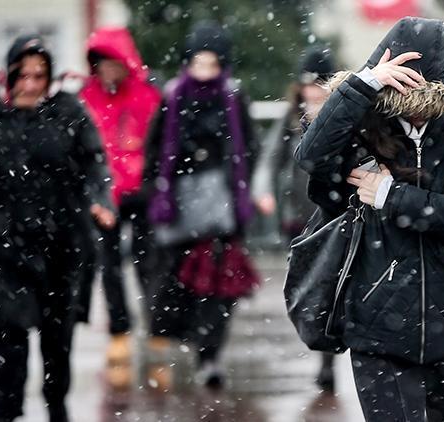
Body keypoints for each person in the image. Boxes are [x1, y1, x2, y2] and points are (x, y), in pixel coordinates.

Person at [296, 17, 444, 421]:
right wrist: (363, 83)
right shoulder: (364, 127)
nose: (417, 108)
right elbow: (311, 156)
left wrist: (393, 196)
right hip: (380, 328)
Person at [0, 34, 115, 422]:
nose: (30, 84)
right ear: (8, 77)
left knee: (56, 339)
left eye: (38, 76)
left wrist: (101, 199)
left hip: (60, 245)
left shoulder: (68, 112)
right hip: (5, 249)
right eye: (22, 76)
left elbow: (96, 163)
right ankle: (7, 410)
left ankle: (57, 408)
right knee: (8, 338)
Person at [143, 21, 259, 391]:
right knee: (174, 285)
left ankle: (209, 355)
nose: (204, 71)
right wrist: (159, 192)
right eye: (198, 62)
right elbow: (155, 149)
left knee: (219, 288)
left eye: (212, 63)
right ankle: (185, 342)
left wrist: (236, 191)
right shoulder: (173, 96)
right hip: (177, 209)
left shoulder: (232, 97)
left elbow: (248, 149)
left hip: (222, 212)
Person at [79, 26, 162, 390]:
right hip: (105, 198)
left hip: (140, 194)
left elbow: (159, 147)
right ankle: (120, 329)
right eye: (101, 64)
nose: (107, 71)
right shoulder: (86, 98)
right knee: (109, 266)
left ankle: (156, 327)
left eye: (112, 63)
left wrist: (148, 185)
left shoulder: (146, 96)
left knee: (149, 265)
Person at [251, 46, 338, 391]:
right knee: (309, 287)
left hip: (334, 213)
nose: (313, 92)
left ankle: (328, 358)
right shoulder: (291, 121)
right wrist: (264, 192)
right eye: (308, 85)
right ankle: (320, 344)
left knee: (332, 285)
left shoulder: (342, 115)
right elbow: (270, 160)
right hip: (299, 218)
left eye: (319, 84)